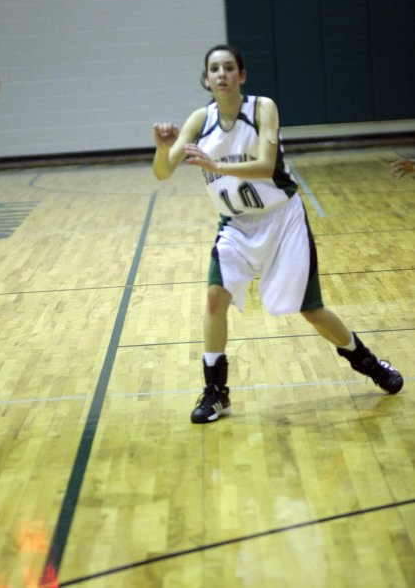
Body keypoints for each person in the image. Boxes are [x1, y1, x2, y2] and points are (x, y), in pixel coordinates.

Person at [152, 44, 404, 424]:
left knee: (312, 312)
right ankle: (215, 393)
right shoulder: (198, 120)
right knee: (214, 298)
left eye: (229, 68)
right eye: (214, 69)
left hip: (281, 220)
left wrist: (215, 163)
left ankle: (368, 362)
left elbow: (267, 166)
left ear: (242, 75)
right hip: (235, 225)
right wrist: (162, 148)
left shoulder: (262, 108)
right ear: (206, 79)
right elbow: (162, 172)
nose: (221, 74)